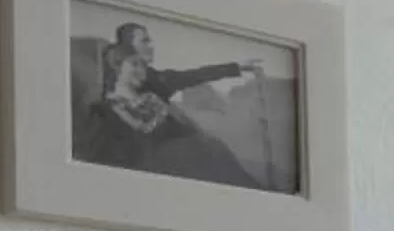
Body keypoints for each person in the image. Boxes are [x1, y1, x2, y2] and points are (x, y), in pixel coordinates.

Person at [75, 22, 267, 187]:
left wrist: (236, 67)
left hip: (190, 157)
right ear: (123, 57)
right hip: (149, 173)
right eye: (145, 40)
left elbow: (194, 75)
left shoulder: (157, 81)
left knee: (213, 151)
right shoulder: (104, 110)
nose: (152, 46)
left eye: (142, 66)